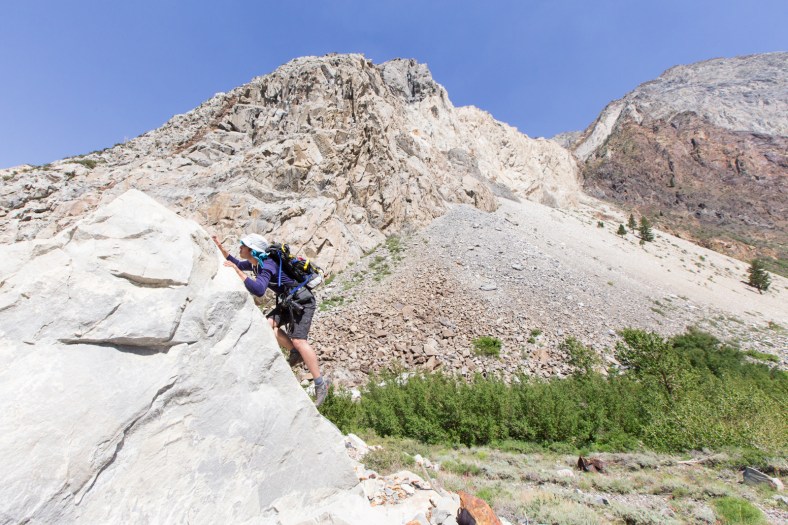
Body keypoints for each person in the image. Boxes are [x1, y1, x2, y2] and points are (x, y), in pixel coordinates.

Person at [212, 233, 330, 406]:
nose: (240, 248)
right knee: (268, 324)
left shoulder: (267, 265)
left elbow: (259, 289)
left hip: (303, 302)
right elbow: (236, 263)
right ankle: (295, 352)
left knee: (299, 340)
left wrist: (237, 272)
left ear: (252, 250)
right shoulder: (257, 265)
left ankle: (321, 383)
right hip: (290, 302)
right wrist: (220, 247)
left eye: (243, 246)